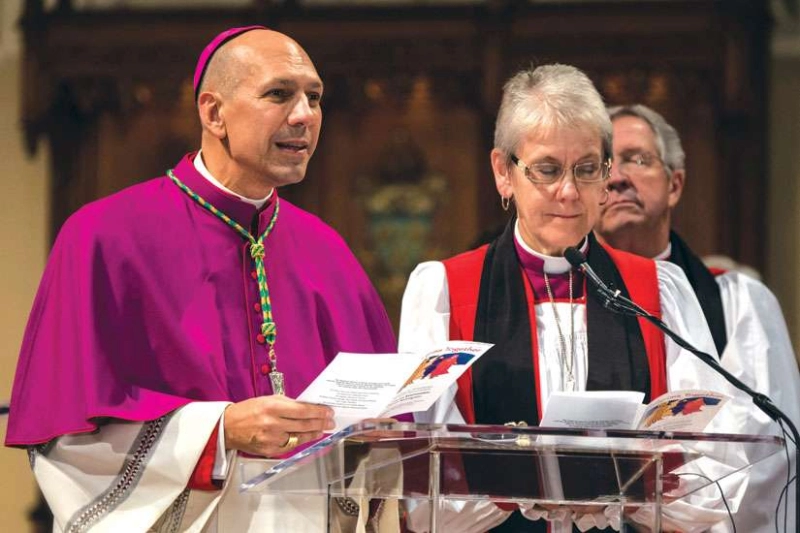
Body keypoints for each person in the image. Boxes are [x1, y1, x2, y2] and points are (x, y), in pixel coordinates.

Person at [5, 26, 397, 532]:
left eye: (315, 98)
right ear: (213, 112)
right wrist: (220, 431)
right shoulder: (104, 237)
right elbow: (67, 443)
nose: (304, 115)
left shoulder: (328, 250)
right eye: (279, 94)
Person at [398, 64, 751, 532]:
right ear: (504, 172)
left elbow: (716, 467)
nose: (568, 192)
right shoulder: (444, 291)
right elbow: (423, 490)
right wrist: (526, 486)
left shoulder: (657, 291)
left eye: (587, 169)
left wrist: (625, 495)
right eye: (547, 169)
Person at [594, 103, 800, 533]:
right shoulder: (560, 305)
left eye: (637, 158)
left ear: (675, 184)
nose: (616, 177)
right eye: (602, 165)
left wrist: (665, 515)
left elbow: (769, 451)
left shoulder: (739, 302)